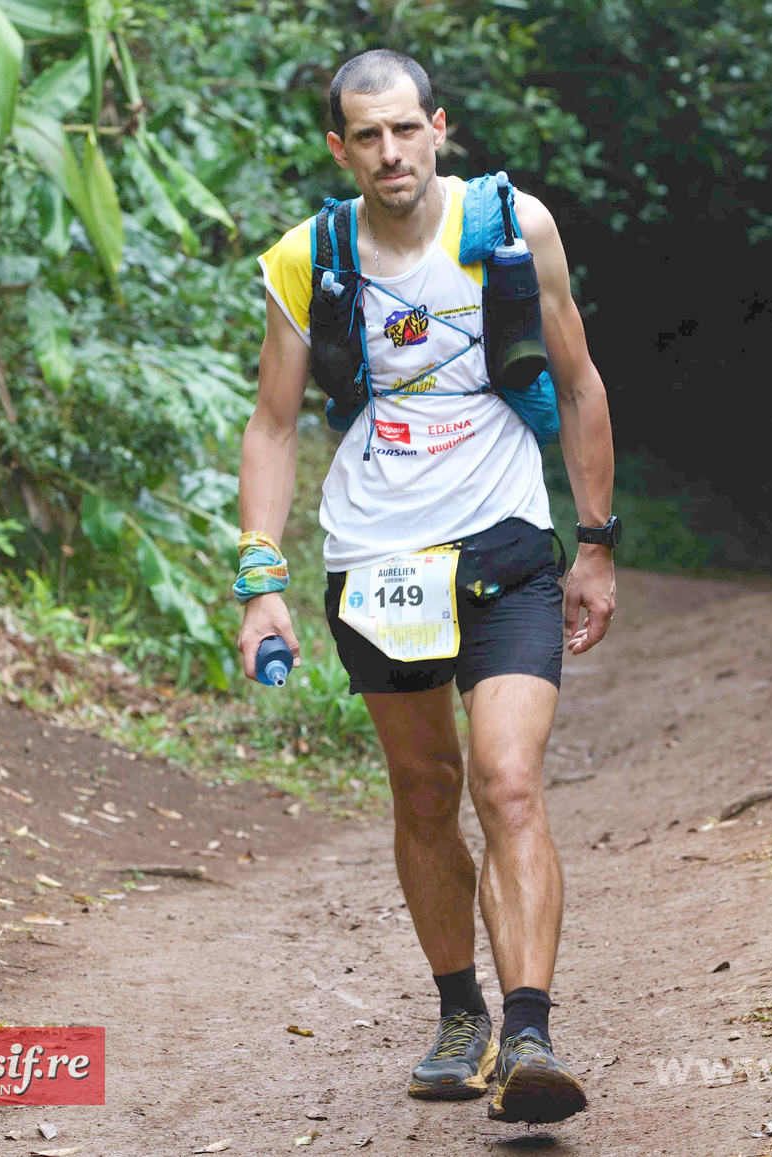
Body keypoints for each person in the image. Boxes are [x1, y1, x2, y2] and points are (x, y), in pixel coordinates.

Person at [236, 49, 618, 1125]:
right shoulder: (308, 259)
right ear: (339, 147)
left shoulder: (509, 227)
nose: (390, 152)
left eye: (406, 129)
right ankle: (462, 1013)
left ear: (437, 127)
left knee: (507, 783)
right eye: (367, 135)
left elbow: (581, 382)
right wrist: (260, 578)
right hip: (377, 560)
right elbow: (271, 425)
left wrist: (595, 543)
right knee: (423, 790)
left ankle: (531, 1032)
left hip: (503, 543)